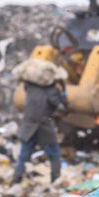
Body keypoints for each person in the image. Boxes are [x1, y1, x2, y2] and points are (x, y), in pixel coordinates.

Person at [11, 54, 66, 184]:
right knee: (54, 154)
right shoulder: (52, 91)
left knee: (23, 156)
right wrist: (63, 91)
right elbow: (62, 107)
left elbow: (24, 81)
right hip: (43, 128)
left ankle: (16, 179)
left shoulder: (30, 87)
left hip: (28, 126)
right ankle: (55, 179)